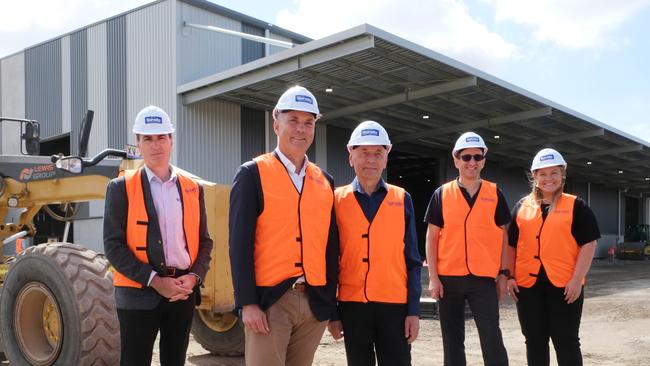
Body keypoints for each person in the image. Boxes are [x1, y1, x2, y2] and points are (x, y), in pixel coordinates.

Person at [229, 86, 338, 366]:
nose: (301, 130)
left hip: (313, 303)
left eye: (308, 123)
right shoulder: (252, 174)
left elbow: (329, 246)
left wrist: (330, 304)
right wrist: (247, 303)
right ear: (276, 124)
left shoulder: (325, 181)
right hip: (270, 302)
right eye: (293, 121)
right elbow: (239, 245)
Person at [103, 105, 213, 366]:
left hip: (182, 294)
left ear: (172, 140)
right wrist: (155, 281)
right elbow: (113, 246)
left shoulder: (192, 188)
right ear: (138, 144)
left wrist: (194, 277)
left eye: (162, 137)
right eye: (148, 139)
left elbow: (204, 242)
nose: (156, 145)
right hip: (138, 296)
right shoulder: (121, 188)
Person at [327, 121, 422, 366]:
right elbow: (329, 260)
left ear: (386, 159)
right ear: (351, 157)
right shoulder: (336, 200)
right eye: (364, 153)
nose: (371, 159)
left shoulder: (402, 199)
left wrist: (413, 310)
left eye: (378, 153)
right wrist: (333, 313)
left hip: (395, 307)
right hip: (352, 307)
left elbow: (412, 260)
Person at [504, 148, 600, 366]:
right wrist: (509, 276)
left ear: (562, 174)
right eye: (543, 174)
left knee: (566, 341)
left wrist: (577, 279)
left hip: (565, 286)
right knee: (535, 341)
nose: (549, 179)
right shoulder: (522, 207)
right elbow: (510, 245)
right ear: (535, 177)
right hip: (528, 287)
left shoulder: (577, 206)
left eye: (554, 173)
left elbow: (589, 243)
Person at [424, 131, 510, 366]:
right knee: (452, 341)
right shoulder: (441, 194)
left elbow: (504, 237)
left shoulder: (495, 194)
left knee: (491, 337)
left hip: (483, 280)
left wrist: (504, 274)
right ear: (456, 160)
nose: (472, 162)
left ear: (483, 159)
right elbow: (431, 238)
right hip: (448, 279)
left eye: (477, 157)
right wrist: (433, 278)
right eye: (466, 157)